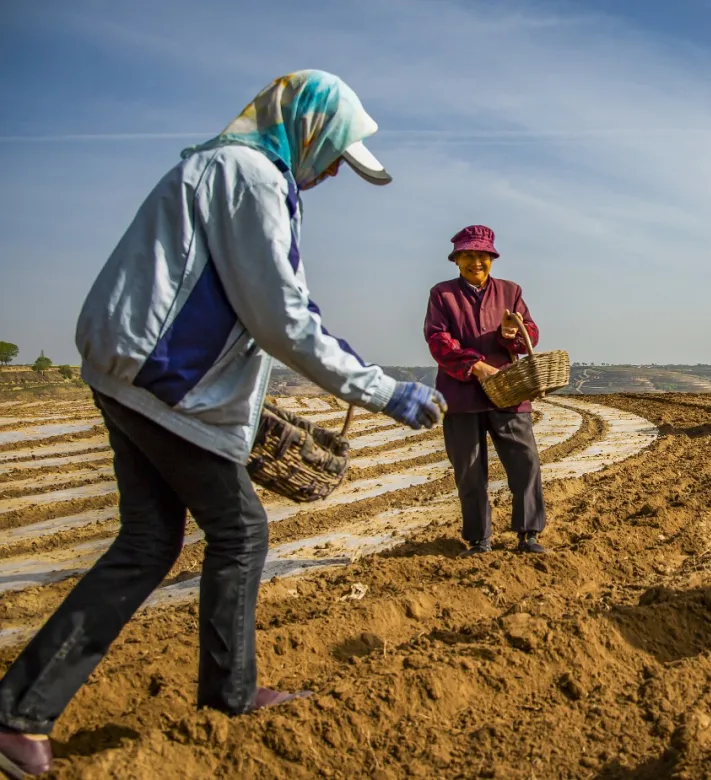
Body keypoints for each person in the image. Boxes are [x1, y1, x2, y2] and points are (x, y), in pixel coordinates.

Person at [0, 70, 446, 778]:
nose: (333, 171)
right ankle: (227, 699)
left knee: (150, 540)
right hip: (162, 377)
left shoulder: (223, 168)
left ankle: (21, 711)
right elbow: (283, 317)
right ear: (309, 130)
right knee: (240, 530)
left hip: (128, 370)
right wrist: (384, 392)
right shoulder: (251, 177)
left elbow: (243, 303)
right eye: (334, 154)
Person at [424, 225, 547, 556]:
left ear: (491, 258)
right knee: (469, 468)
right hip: (461, 394)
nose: (475, 262)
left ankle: (528, 534)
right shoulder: (442, 294)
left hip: (508, 391)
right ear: (457, 260)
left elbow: (530, 334)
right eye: (468, 256)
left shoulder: (511, 291)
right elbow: (437, 338)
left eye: (482, 256)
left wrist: (512, 334)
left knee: (525, 461)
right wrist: (475, 365)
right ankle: (479, 540)